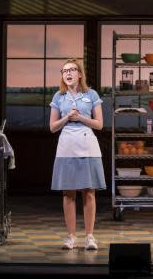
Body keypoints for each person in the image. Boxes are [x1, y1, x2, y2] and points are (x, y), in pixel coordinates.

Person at [49, 59, 105, 250]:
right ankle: (71, 237)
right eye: (64, 71)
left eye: (72, 69)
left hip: (88, 146)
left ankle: (90, 236)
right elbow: (52, 127)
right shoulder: (59, 96)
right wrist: (67, 117)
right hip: (66, 147)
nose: (68, 73)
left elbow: (99, 124)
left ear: (79, 74)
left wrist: (80, 117)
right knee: (68, 193)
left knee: (89, 192)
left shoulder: (91, 94)